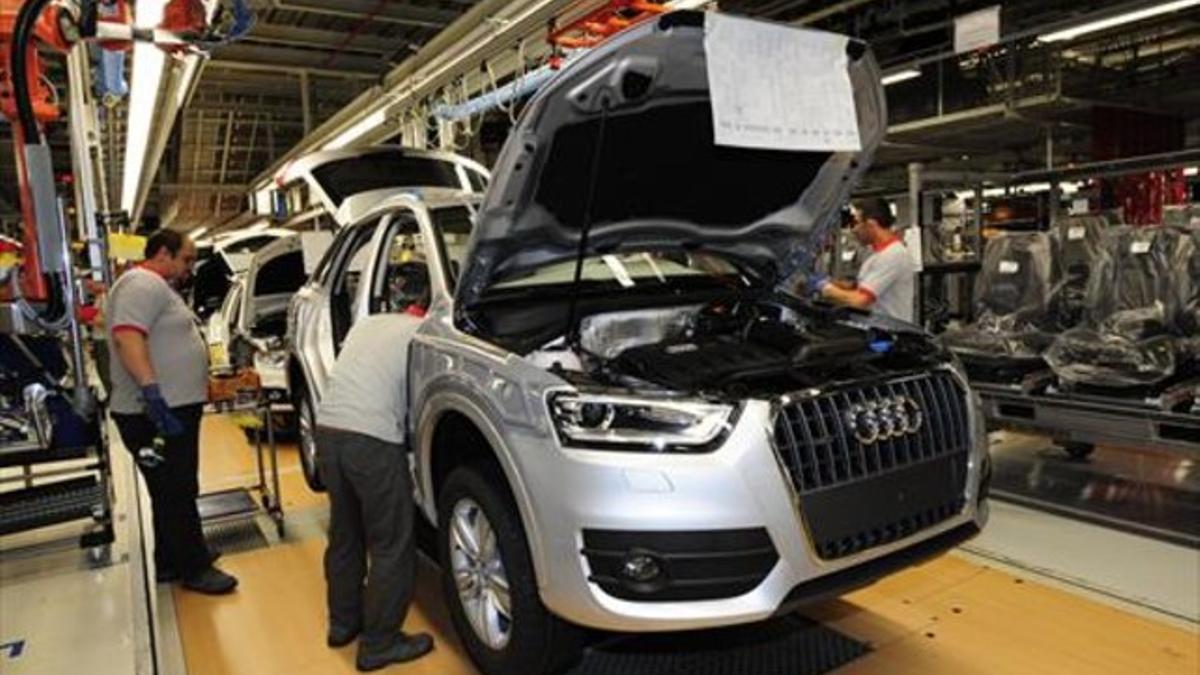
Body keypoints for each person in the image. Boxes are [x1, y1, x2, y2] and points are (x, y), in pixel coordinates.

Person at [108, 229, 237, 595]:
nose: (189, 267)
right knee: (176, 488)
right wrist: (152, 394)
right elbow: (127, 336)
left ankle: (169, 560)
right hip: (153, 412)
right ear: (163, 254)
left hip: (165, 408)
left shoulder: (153, 286)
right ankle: (194, 569)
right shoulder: (142, 284)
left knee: (169, 488)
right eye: (185, 259)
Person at [317, 309, 434, 671]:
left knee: (345, 533)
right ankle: (380, 643)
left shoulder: (367, 322)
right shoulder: (423, 332)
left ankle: (343, 623)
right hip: (371, 439)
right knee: (391, 543)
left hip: (328, 431)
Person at [813, 197, 916, 322]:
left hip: (889, 335)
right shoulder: (875, 253)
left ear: (871, 224)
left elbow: (859, 300)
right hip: (873, 330)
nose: (853, 230)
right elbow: (858, 287)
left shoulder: (894, 255)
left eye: (856, 223)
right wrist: (832, 283)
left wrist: (825, 288)